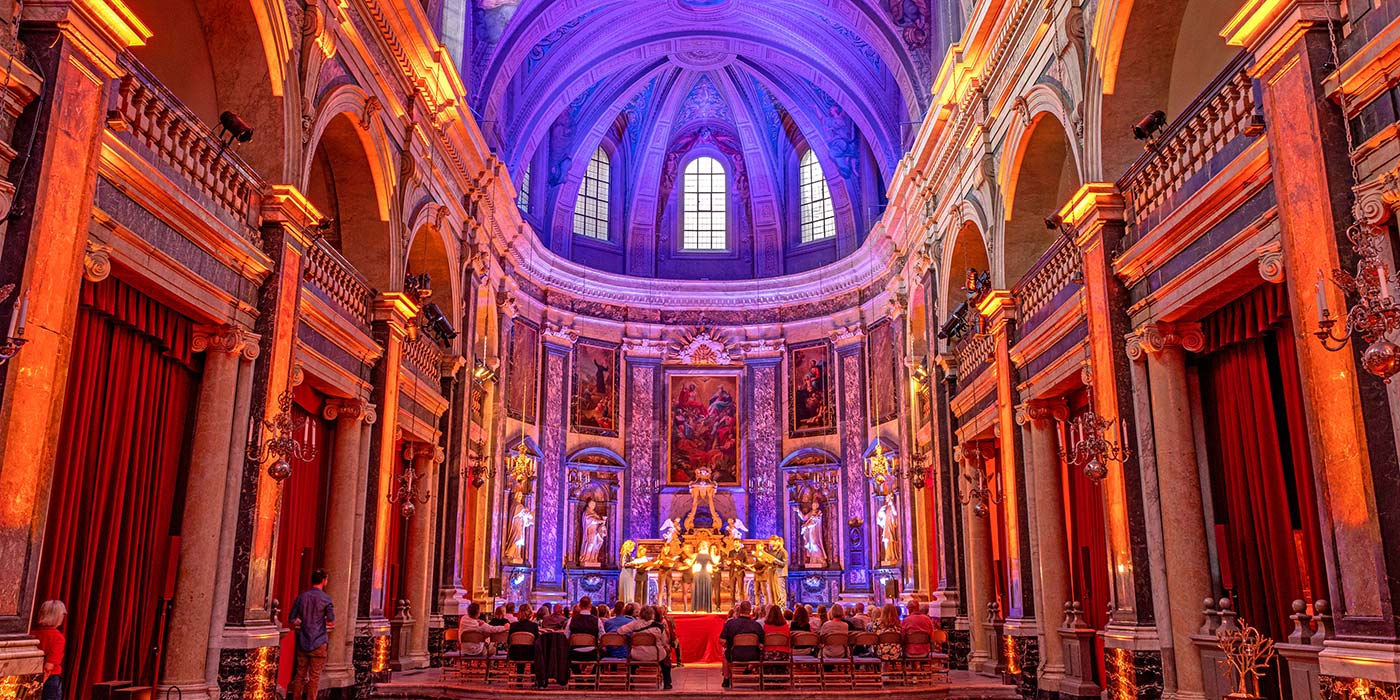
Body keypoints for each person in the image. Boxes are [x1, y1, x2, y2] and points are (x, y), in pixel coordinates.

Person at [288, 570, 335, 700]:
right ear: (324, 580)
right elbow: (331, 621)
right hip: (319, 642)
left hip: (303, 640)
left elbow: (292, 618)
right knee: (314, 677)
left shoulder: (302, 597)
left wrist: (302, 621)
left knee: (300, 674)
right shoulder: (326, 599)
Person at [620, 605, 674, 689]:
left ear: (640, 614)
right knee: (666, 659)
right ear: (653, 614)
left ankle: (631, 682)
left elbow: (620, 630)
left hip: (637, 655)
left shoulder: (635, 624)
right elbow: (664, 642)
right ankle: (667, 682)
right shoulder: (659, 626)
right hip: (656, 656)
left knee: (631, 659)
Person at [719, 600, 765, 688]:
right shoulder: (757, 625)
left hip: (735, 654)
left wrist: (728, 646)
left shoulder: (730, 623)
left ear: (740, 610)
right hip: (754, 655)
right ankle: (750, 668)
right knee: (761, 653)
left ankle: (726, 679)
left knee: (725, 655)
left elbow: (722, 641)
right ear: (750, 610)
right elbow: (762, 644)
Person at [33, 600, 65, 700]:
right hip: (49, 681)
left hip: (30, 678)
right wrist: (38, 686)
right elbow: (48, 667)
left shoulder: (31, 634)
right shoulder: (58, 638)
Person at [567, 596, 601, 660]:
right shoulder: (597, 620)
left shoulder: (571, 620)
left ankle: (576, 670)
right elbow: (602, 638)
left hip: (574, 653)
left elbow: (566, 636)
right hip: (592, 653)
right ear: (591, 606)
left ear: (579, 606)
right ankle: (594, 670)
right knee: (603, 653)